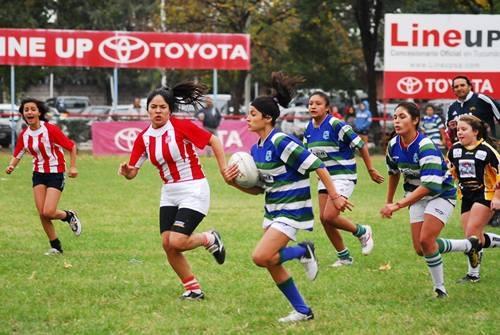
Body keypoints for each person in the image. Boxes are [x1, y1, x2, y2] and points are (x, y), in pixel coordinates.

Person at [223, 72, 353, 323]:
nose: (247, 118)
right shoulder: (256, 148)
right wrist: (234, 184)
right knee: (271, 261)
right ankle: (303, 311)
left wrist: (335, 195)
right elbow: (260, 189)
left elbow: (318, 165)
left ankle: (303, 251)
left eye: (252, 114)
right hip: (272, 210)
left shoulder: (282, 141)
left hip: (292, 211)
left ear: (267, 118)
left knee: (260, 256)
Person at [118, 83, 228, 300]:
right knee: (168, 244)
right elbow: (133, 173)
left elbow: (213, 140)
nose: (158, 111)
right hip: (169, 192)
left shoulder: (180, 127)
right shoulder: (143, 138)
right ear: (147, 110)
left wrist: (224, 169)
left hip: (194, 187)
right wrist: (126, 171)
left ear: (169, 110)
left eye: (162, 107)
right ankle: (194, 290)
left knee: (177, 241)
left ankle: (209, 238)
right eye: (153, 107)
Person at [380, 102, 457, 298]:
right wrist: (388, 201)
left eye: (402, 116)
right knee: (420, 249)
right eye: (395, 117)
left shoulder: (426, 146)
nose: (397, 120)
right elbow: (393, 172)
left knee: (426, 240)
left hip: (441, 194)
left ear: (415, 120)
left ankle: (440, 289)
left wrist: (397, 205)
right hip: (415, 197)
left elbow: (430, 186)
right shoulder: (393, 145)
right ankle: (467, 245)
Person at [304, 91, 384, 267]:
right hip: (325, 178)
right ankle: (344, 257)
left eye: (318, 103)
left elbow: (360, 145)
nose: (313, 106)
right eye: (311, 103)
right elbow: (307, 156)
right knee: (325, 219)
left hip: (344, 175)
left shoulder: (336, 125)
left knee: (330, 216)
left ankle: (363, 231)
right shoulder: (309, 128)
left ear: (327, 108)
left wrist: (370, 169)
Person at [5, 98, 82, 255]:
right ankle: (56, 247)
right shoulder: (24, 135)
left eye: (33, 109)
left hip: (56, 173)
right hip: (38, 174)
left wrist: (73, 167)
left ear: (39, 112)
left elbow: (71, 146)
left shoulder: (50, 130)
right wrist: (12, 165)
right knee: (42, 213)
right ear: (23, 115)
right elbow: (18, 153)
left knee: (48, 211)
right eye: (26, 110)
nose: (29, 112)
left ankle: (68, 215)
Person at [443, 114, 500, 283]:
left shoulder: (487, 150)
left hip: (485, 195)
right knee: (475, 238)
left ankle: (472, 275)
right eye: (458, 129)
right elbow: (451, 171)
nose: (459, 132)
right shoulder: (454, 150)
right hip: (466, 195)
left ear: (475, 131)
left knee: (472, 233)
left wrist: (497, 197)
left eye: (464, 129)